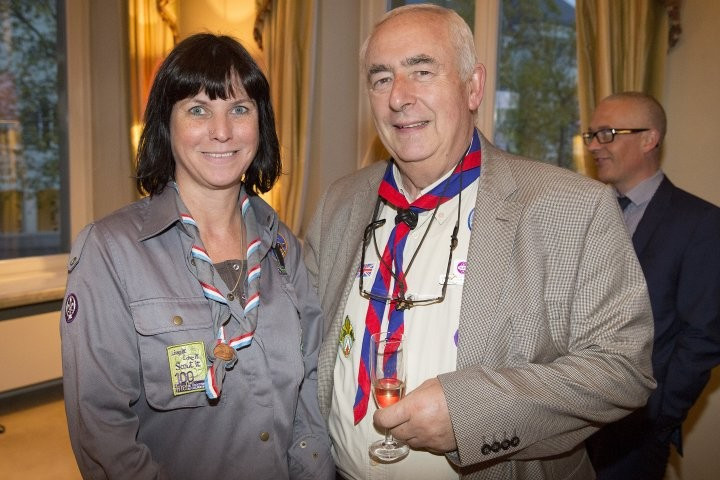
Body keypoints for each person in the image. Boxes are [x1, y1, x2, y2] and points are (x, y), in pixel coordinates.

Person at [303, 5, 657, 480]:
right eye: (381, 78)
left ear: (473, 87)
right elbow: (304, 347)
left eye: (422, 71)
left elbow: (623, 369)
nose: (399, 98)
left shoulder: (572, 207)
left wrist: (470, 412)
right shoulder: (338, 204)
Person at [60, 33, 333, 480]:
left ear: (259, 124)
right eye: (199, 109)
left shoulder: (284, 246)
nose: (222, 131)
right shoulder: (110, 252)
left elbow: (309, 392)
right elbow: (102, 431)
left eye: (240, 109)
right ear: (167, 124)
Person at [583, 91, 720, 479]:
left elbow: (704, 336)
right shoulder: (588, 212)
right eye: (591, 135)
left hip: (636, 431)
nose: (594, 145)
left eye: (607, 133)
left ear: (649, 139)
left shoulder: (700, 223)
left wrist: (658, 413)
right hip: (571, 417)